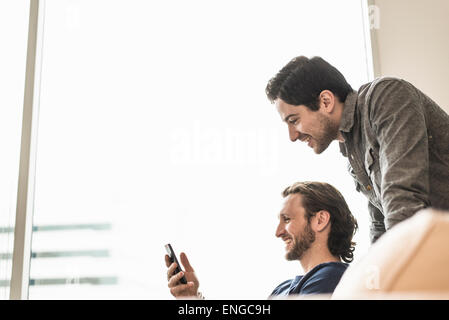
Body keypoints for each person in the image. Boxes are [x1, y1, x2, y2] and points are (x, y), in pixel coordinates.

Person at [265, 56, 449, 243]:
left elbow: (403, 198)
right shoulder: (352, 154)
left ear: (326, 101)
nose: (292, 136)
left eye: (294, 120)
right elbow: (380, 224)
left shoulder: (386, 96)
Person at [165, 181, 358, 298]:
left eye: (287, 219)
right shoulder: (283, 288)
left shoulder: (334, 278)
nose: (278, 232)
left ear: (320, 220)